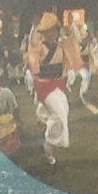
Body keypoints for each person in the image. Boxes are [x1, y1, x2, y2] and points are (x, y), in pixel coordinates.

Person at [24, 12, 72, 164]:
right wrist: (34, 27)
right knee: (59, 113)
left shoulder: (61, 45)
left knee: (64, 111)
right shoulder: (39, 46)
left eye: (55, 30)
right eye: (50, 30)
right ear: (45, 32)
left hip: (58, 83)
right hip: (44, 85)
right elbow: (31, 43)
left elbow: (75, 39)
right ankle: (49, 143)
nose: (53, 33)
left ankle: (45, 124)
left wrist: (71, 26)